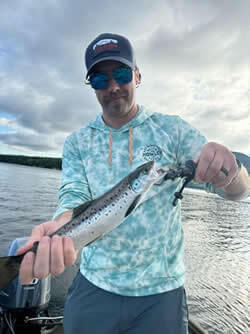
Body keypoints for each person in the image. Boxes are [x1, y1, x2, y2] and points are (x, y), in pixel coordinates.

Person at [18, 33, 250, 334]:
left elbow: (239, 192)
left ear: (137, 75)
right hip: (94, 283)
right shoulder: (77, 142)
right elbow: (73, 194)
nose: (113, 86)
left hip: (162, 292)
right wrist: (61, 223)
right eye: (101, 80)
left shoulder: (174, 131)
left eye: (122, 74)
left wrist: (232, 171)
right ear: (92, 87)